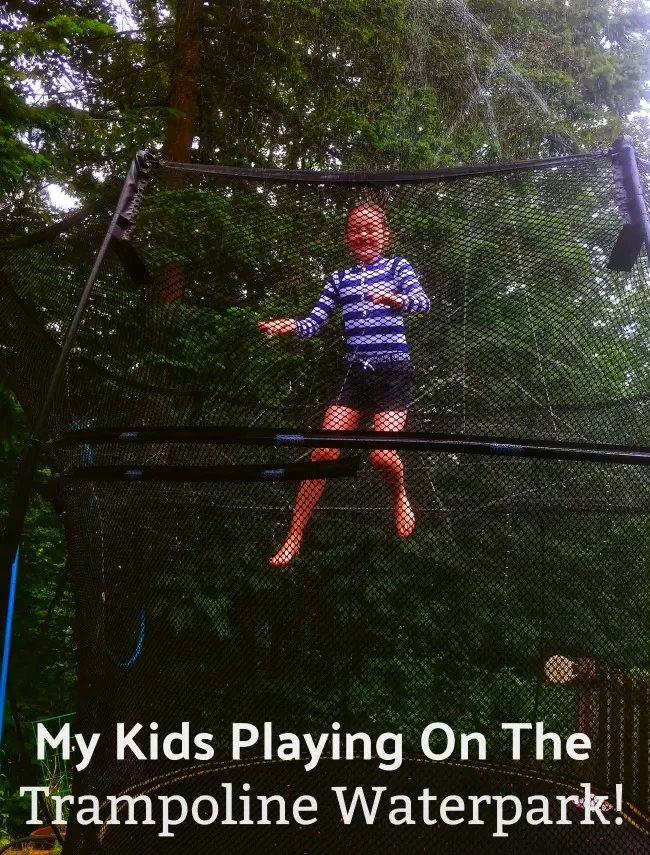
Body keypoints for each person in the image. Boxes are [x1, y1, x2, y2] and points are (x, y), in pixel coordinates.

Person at [258, 202, 430, 566]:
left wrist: (395, 299)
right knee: (323, 452)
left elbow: (421, 303)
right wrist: (291, 325)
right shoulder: (339, 278)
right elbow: (314, 321)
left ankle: (399, 496)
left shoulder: (398, 266)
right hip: (355, 373)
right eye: (355, 229)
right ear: (348, 237)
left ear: (385, 235)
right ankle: (294, 536)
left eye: (371, 228)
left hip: (392, 372)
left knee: (382, 455)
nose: (363, 234)